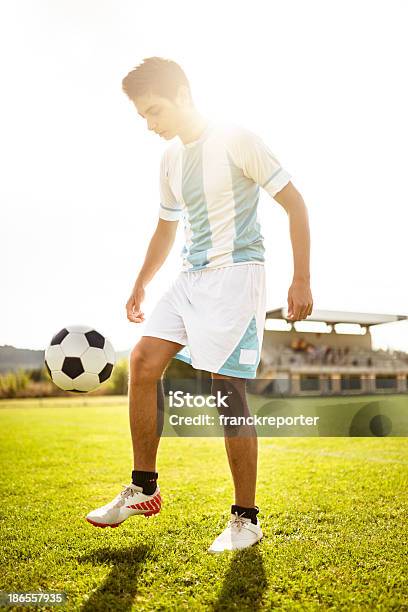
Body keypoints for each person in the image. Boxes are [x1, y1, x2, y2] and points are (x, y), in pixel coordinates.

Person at [86, 57, 313, 552]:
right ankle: (143, 488)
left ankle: (245, 520)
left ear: (184, 95)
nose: (150, 124)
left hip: (237, 277)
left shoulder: (237, 139)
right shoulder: (169, 161)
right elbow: (167, 226)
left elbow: (295, 203)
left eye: (154, 111)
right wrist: (141, 283)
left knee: (225, 388)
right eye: (142, 116)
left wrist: (301, 278)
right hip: (189, 278)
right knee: (143, 361)